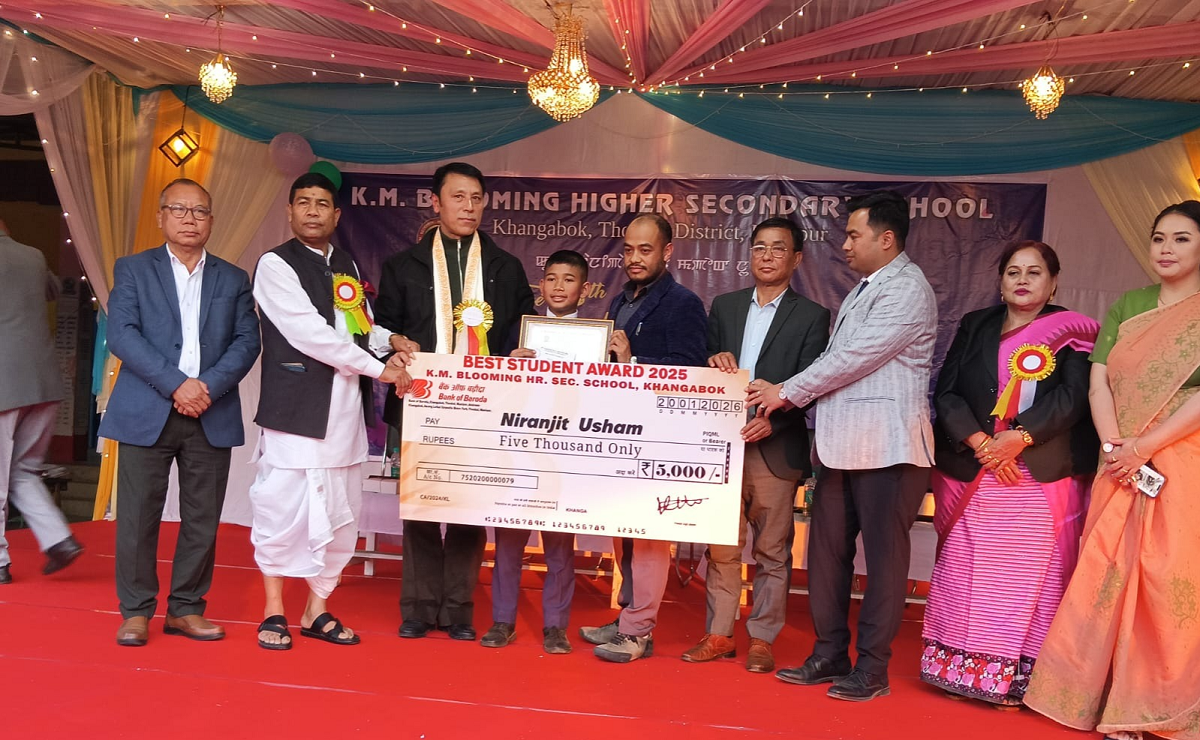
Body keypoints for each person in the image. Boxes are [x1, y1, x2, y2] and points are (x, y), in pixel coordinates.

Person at [1025, 201, 1200, 740]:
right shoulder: (1129, 304)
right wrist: (1114, 446)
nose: (1165, 249)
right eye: (1159, 238)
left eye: (1182, 239)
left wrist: (1145, 446)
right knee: (1107, 574)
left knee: (1166, 579)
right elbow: (1098, 381)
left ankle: (1153, 706)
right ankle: (1102, 700)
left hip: (1180, 459)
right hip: (1119, 461)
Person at [751, 190, 936, 701]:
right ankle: (829, 653)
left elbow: (854, 358)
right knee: (827, 557)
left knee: (884, 564)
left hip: (888, 449)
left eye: (854, 235)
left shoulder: (907, 288)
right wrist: (787, 390)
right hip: (839, 448)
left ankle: (872, 668)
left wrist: (786, 391)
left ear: (887, 238)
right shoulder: (863, 288)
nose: (846, 245)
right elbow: (837, 360)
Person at [921, 241, 1099, 707]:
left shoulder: (1077, 329)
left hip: (1038, 475)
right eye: (1013, 272)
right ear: (1000, 282)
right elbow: (948, 392)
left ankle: (1017, 680)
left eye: (1034, 272)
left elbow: (1074, 397)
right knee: (969, 570)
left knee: (1027, 580)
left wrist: (1018, 438)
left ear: (1053, 282)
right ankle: (960, 668)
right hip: (978, 471)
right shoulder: (976, 324)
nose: (1022, 280)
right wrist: (982, 444)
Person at [374, 162, 535, 641]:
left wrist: (520, 350)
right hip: (420, 403)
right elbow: (381, 329)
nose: (469, 207)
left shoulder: (505, 267)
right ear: (436, 202)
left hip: (483, 407)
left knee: (469, 507)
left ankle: (460, 609)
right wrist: (394, 344)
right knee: (421, 507)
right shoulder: (403, 265)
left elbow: (520, 331)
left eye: (476, 198)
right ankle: (419, 608)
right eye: (459, 197)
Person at [250, 172, 410, 650]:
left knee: (342, 513)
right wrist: (380, 370)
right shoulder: (275, 265)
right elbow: (312, 335)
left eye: (322, 204)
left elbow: (355, 326)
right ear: (290, 211)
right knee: (282, 511)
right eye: (304, 202)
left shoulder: (344, 262)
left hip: (343, 415)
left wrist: (390, 340)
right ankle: (273, 610)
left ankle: (316, 609)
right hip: (295, 412)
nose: (313, 211)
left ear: (336, 215)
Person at [101, 179, 260, 647]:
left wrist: (205, 387)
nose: (190, 219)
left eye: (199, 211)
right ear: (161, 216)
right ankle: (136, 612)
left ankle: (186, 608)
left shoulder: (233, 278)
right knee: (137, 518)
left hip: (210, 409)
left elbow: (247, 341)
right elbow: (122, 334)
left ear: (211, 219)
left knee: (202, 519)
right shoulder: (133, 268)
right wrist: (177, 384)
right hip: (145, 410)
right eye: (179, 209)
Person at [682, 218, 829, 673]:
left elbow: (811, 386)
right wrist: (712, 360)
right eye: (759, 247)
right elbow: (703, 371)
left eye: (777, 248)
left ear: (796, 259)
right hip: (722, 446)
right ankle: (720, 634)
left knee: (772, 552)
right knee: (722, 547)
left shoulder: (812, 316)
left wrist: (775, 421)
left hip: (774, 448)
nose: (766, 256)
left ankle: (763, 638)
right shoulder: (724, 307)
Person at [578, 213, 708, 663]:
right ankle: (627, 617)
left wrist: (634, 361)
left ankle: (638, 632)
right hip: (620, 434)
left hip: (660, 440)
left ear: (667, 252)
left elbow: (692, 370)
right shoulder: (619, 301)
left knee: (649, 536)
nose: (634, 258)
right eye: (629, 249)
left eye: (645, 250)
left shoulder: (683, 303)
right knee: (623, 531)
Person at [482, 249, 590, 654]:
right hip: (520, 449)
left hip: (567, 451)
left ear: (584, 289)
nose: (559, 287)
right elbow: (494, 389)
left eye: (569, 279)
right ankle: (502, 620)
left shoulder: (597, 337)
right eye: (552, 278)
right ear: (540, 285)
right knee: (508, 541)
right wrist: (508, 365)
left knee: (560, 546)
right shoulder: (518, 331)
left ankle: (556, 626)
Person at [0, 218, 84, 585]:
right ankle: (58, 540)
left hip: (4, 382)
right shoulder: (33, 256)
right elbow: (53, 289)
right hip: (43, 380)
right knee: (24, 470)